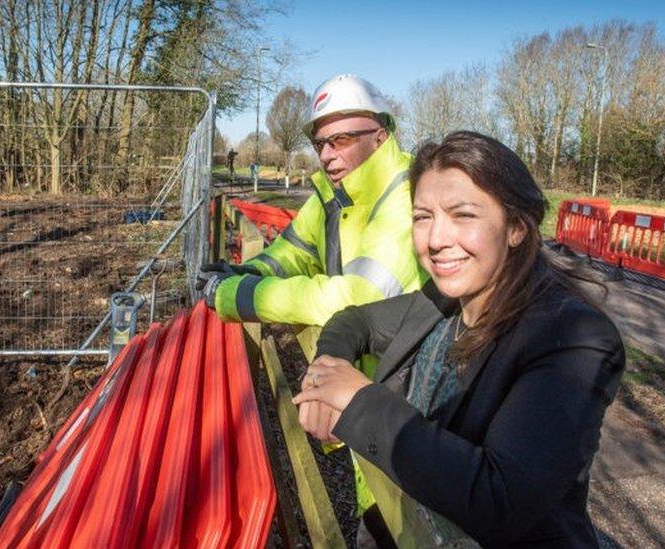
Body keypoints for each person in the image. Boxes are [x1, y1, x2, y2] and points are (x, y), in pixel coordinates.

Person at [293, 131, 625, 547]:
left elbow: (498, 500)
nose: (435, 239)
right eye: (422, 216)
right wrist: (329, 371)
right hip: (395, 524)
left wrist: (358, 400)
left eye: (463, 215)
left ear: (516, 228)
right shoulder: (444, 300)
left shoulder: (573, 338)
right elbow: (352, 321)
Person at [197, 74, 427, 327]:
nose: (326, 155)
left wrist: (242, 294)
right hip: (354, 363)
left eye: (341, 140)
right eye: (319, 144)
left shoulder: (409, 196)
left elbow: (358, 298)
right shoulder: (333, 196)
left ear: (380, 138)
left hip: (398, 365)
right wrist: (248, 271)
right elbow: (291, 252)